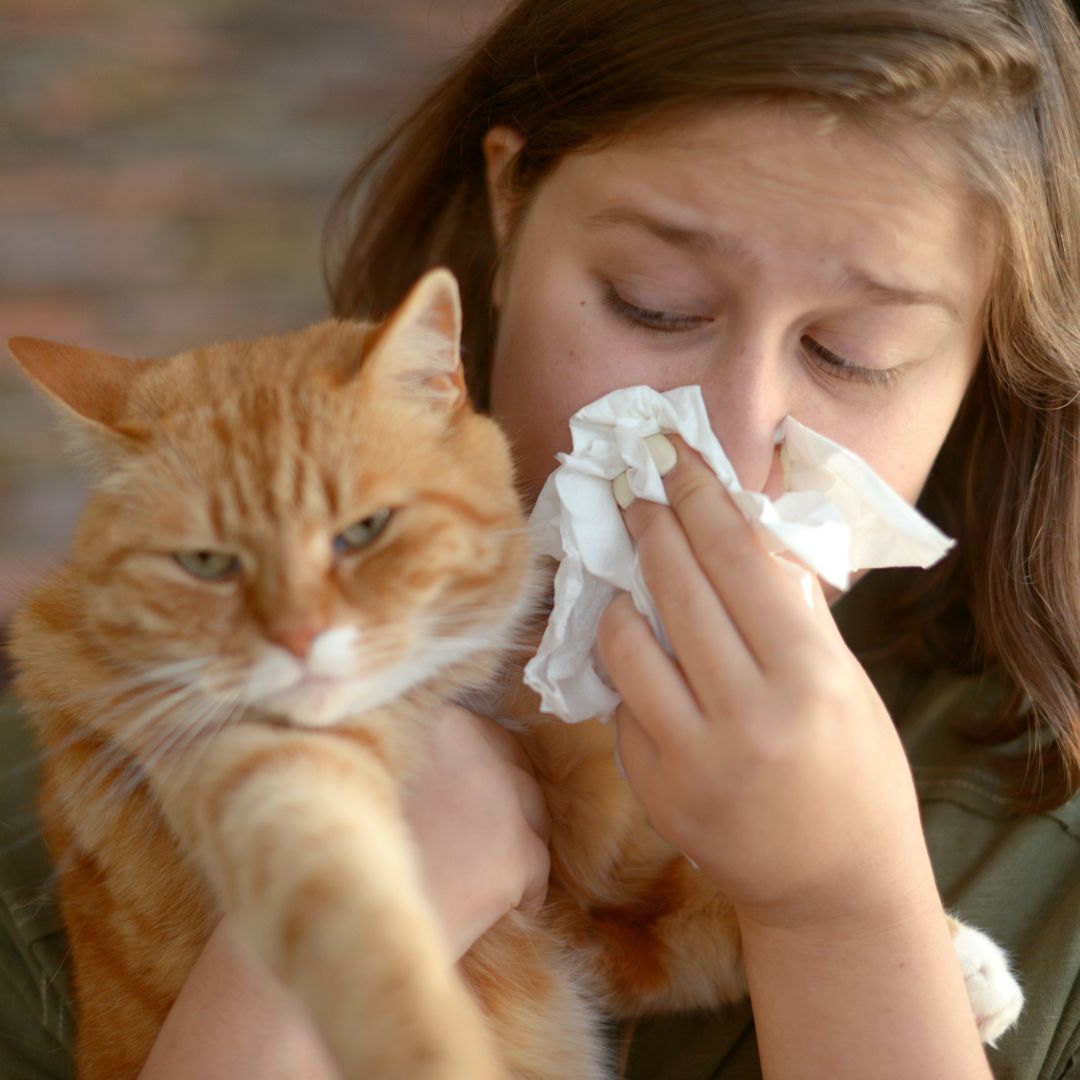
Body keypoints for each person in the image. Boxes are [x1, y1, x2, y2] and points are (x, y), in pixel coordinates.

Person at [2, 0, 1079, 1076]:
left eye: (851, 353)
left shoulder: (1046, 833)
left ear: (990, 350)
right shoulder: (71, 804)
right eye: (652, 306)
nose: (727, 441)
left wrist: (839, 915)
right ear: (510, 209)